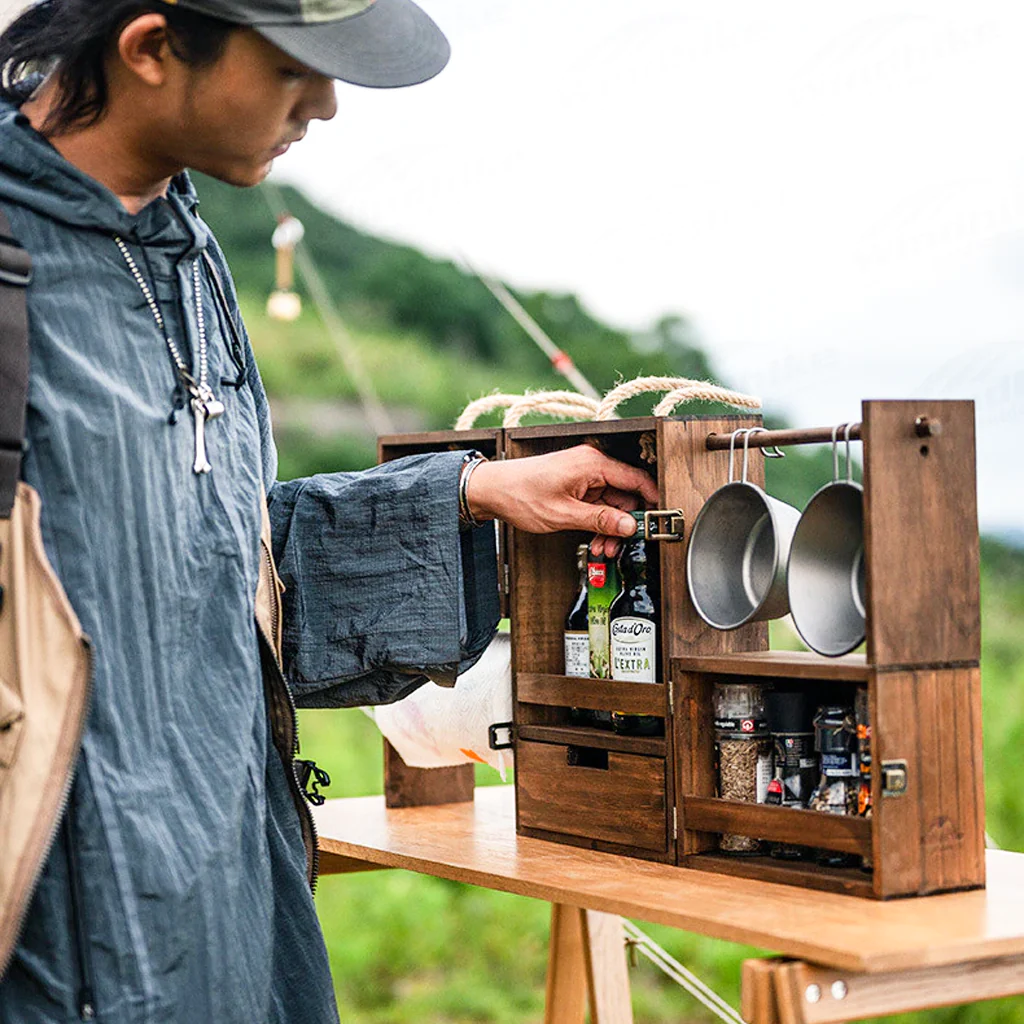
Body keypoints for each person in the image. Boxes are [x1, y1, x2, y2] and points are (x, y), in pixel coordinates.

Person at [0, 2, 658, 1021]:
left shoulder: (187, 252)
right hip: (62, 920)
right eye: (292, 68)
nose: (327, 105)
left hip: (234, 889)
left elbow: (202, 566)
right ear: (150, 48)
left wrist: (469, 491)